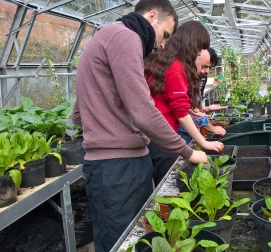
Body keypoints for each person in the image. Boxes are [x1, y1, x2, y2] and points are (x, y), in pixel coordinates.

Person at [71, 0, 208, 250]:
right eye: (164, 34)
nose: (162, 44)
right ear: (152, 16)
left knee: (117, 241)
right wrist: (188, 152)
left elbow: (78, 115)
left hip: (105, 168)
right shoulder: (125, 37)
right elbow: (144, 111)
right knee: (128, 243)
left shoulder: (103, 38)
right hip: (119, 169)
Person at [144, 21, 224, 186]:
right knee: (171, 188)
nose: (200, 52)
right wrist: (203, 143)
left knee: (163, 184)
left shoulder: (165, 60)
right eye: (200, 47)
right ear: (191, 44)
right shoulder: (176, 66)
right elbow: (180, 113)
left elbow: (169, 101)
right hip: (163, 138)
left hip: (154, 136)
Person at [177, 48, 228, 144]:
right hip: (179, 132)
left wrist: (207, 108)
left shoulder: (200, 77)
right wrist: (211, 128)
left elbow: (192, 108)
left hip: (188, 130)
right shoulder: (181, 77)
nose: (206, 71)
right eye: (204, 66)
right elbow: (182, 111)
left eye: (210, 67)